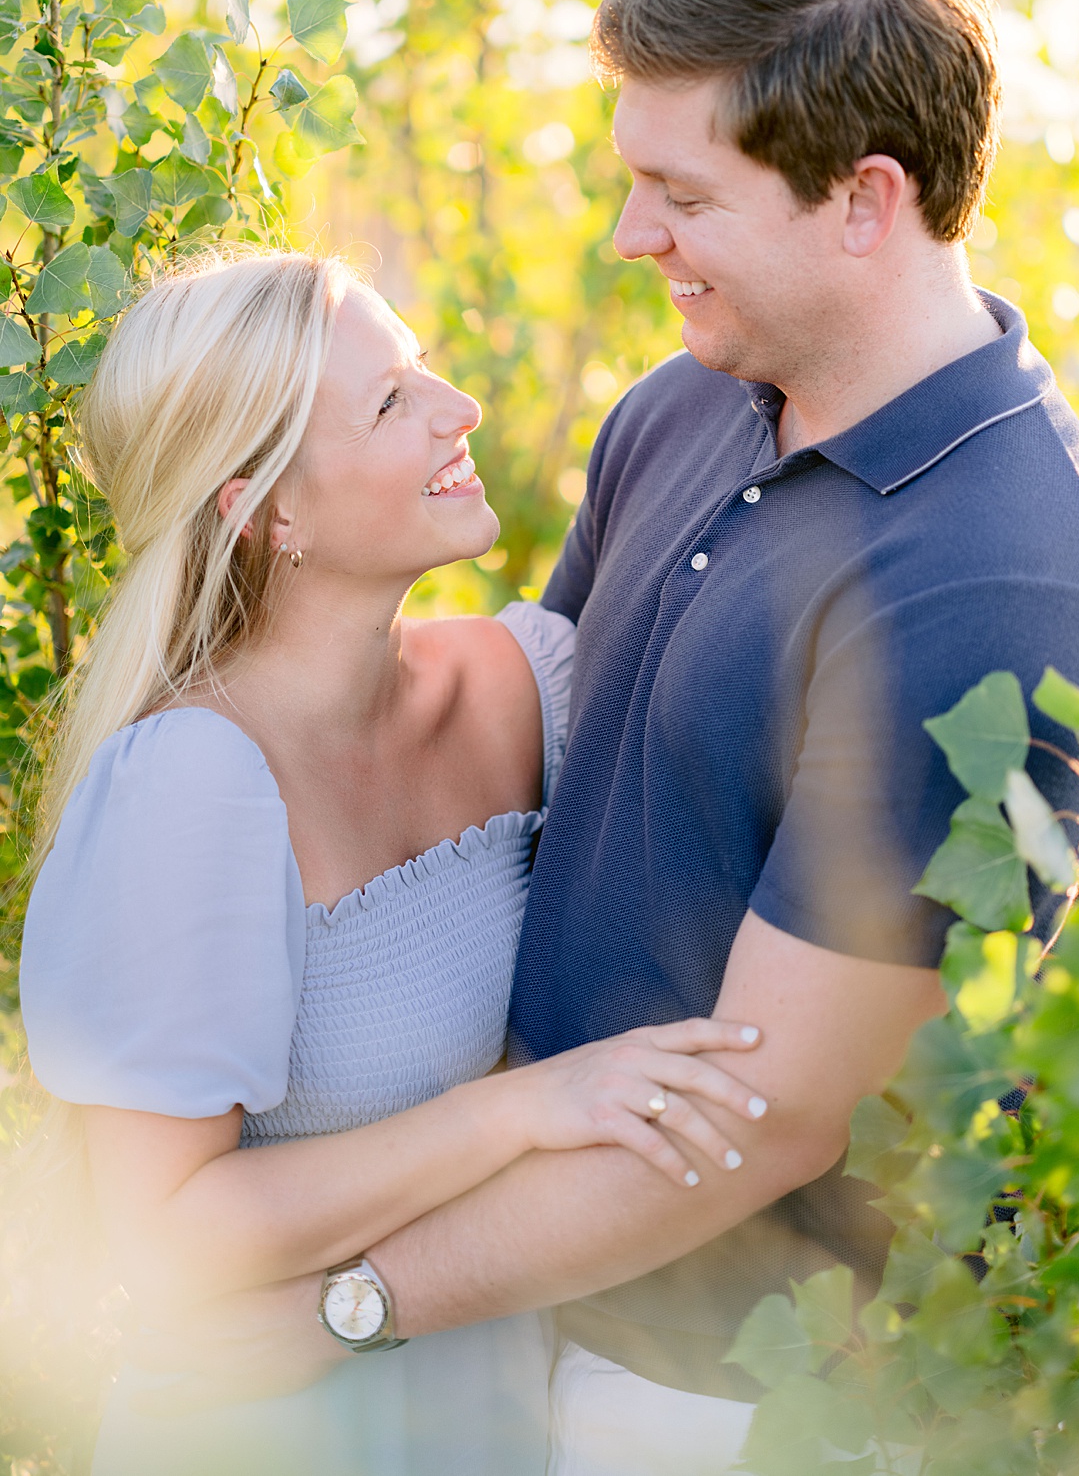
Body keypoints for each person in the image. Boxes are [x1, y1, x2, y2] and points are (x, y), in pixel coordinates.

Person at [113, 0, 1079, 1475]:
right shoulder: (689, 406)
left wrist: (349, 1303)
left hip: (726, 1395)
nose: (630, 237)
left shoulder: (989, 579)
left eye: (679, 193)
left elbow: (776, 1112)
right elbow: (537, 775)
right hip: (518, 1312)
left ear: (865, 201)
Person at [16, 249, 772, 1476]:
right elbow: (164, 1237)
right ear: (266, 511)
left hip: (501, 1403)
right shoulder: (193, 785)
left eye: (420, 365)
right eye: (388, 401)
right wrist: (522, 1112)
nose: (456, 407)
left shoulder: (524, 684)